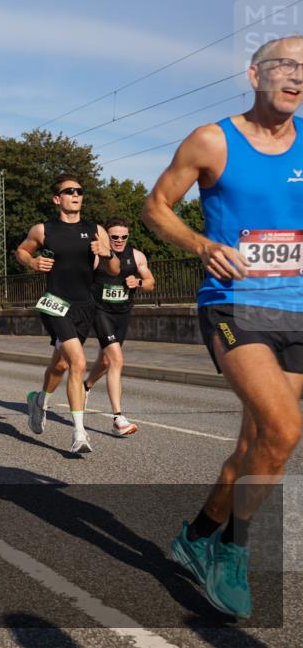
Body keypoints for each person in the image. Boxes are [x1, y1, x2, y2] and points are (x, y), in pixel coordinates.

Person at [142, 35, 303, 619]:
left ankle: (198, 533)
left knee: (255, 447)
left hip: (298, 308)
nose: (296, 76)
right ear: (254, 73)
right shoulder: (214, 140)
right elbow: (156, 206)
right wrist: (201, 243)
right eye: (285, 65)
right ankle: (231, 548)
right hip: (234, 303)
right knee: (284, 431)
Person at [17, 173, 119, 455]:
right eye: (69, 191)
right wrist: (33, 261)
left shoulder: (95, 229)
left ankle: (39, 400)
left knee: (60, 365)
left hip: (84, 305)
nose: (76, 195)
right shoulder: (44, 230)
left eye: (79, 191)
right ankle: (79, 432)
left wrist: (107, 253)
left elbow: (115, 271)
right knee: (77, 361)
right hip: (55, 303)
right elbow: (22, 251)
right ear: (57, 198)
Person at [83, 218, 156, 435]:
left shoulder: (137, 256)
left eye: (124, 237)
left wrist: (139, 283)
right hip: (100, 311)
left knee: (106, 361)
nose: (119, 241)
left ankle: (85, 386)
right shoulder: (97, 256)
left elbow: (151, 282)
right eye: (114, 237)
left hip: (122, 313)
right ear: (107, 236)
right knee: (117, 359)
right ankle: (118, 418)